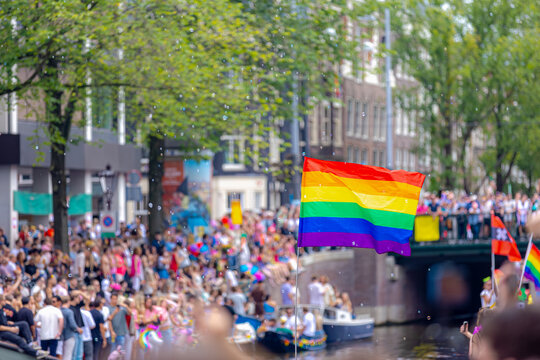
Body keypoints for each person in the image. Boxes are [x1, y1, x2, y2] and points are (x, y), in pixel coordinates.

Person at [60, 296, 82, 360]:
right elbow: (73, 325)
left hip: (61, 336)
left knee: (62, 354)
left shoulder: (59, 310)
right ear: (68, 302)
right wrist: (78, 329)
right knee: (68, 355)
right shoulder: (69, 312)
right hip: (69, 335)